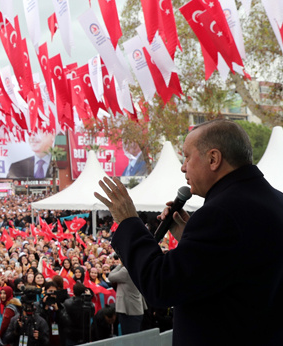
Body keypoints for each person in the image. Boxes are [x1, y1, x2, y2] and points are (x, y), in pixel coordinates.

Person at [94, 119, 283, 345]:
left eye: (187, 156)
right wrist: (190, 241)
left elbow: (161, 286)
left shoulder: (220, 214)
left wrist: (128, 221)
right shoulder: (275, 201)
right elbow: (235, 267)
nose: (183, 167)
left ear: (213, 159)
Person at [107, 261, 146, 335]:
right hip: (136, 309)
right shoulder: (138, 268)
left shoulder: (126, 270)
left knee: (130, 338)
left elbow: (110, 277)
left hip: (129, 311)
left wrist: (119, 265)